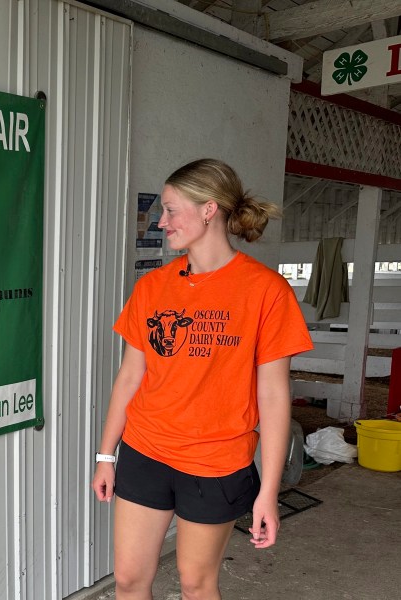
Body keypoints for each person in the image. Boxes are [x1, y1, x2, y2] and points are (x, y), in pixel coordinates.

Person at [92, 159, 313, 600]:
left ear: (209, 210)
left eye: (172, 210)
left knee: (196, 585)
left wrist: (267, 492)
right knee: (129, 581)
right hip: (146, 450)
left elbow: (272, 396)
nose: (162, 221)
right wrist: (106, 454)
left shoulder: (266, 291)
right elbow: (130, 374)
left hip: (216, 462)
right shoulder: (153, 287)